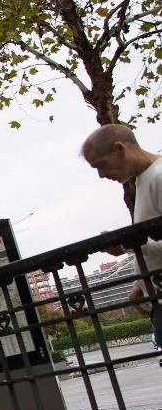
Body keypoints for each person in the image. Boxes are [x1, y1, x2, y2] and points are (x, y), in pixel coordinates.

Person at [81, 123, 162, 349]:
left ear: (119, 149)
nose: (101, 175)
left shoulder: (158, 178)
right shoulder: (145, 178)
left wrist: (126, 246)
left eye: (101, 165)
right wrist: (141, 281)